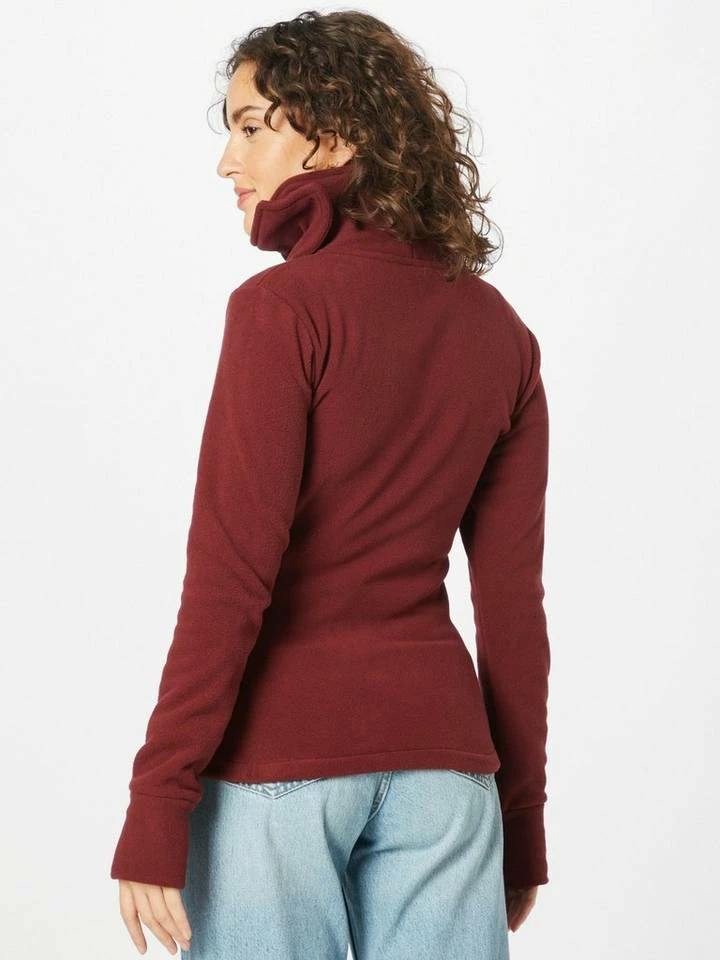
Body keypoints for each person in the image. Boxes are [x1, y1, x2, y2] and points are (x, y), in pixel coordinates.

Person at [111, 10, 551, 959]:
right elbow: (514, 610)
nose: (228, 163)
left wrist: (158, 797)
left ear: (338, 134)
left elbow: (230, 576)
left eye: (252, 127)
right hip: (449, 776)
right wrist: (521, 822)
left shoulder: (282, 312)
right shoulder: (501, 333)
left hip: (278, 765)